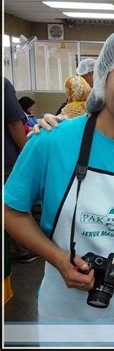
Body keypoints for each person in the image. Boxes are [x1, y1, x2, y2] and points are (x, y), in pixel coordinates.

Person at [4, 27, 114, 344]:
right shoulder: (52, 141)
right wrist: (58, 258)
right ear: (102, 77)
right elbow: (11, 210)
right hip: (63, 308)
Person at [4, 77, 39, 263]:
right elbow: (14, 123)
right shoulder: (3, 84)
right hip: (6, 159)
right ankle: (25, 248)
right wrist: (28, 155)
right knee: (15, 204)